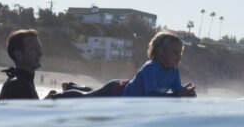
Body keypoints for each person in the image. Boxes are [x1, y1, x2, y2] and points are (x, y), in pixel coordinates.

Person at [47, 32, 196, 98]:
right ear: (161, 52)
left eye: (180, 52)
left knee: (95, 93)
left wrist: (186, 92)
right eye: (175, 52)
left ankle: (71, 85)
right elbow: (152, 95)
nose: (179, 56)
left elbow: (177, 90)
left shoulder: (173, 71)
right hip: (117, 91)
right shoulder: (151, 68)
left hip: (124, 89)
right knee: (87, 97)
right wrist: (178, 95)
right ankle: (58, 97)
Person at [0, 29, 43, 100]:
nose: (40, 53)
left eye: (40, 48)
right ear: (18, 54)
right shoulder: (18, 86)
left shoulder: (21, 82)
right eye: (34, 49)